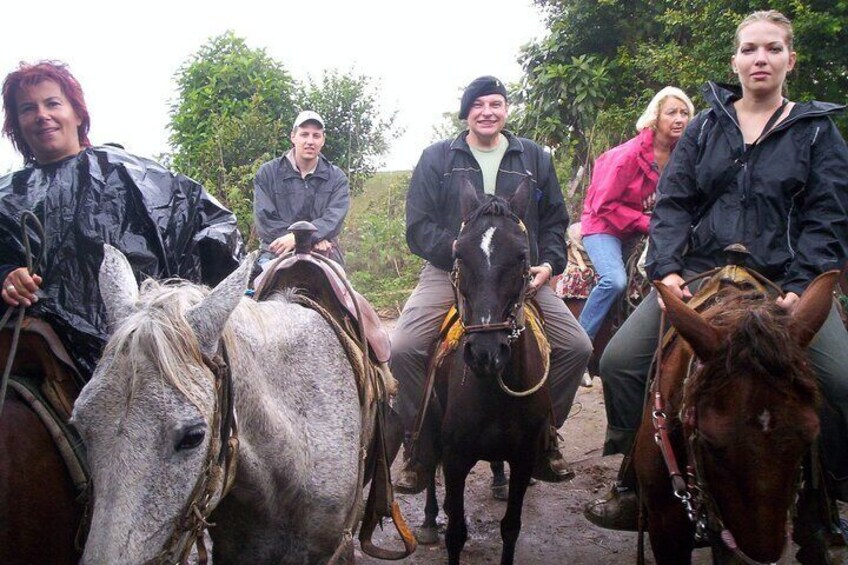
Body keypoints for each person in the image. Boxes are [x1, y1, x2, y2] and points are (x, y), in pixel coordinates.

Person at [584, 10, 848, 530]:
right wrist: (667, 270)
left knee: (841, 382)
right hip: (703, 276)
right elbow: (674, 204)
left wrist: (802, 284)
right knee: (619, 363)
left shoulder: (818, 132)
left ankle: (827, 498)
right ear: (735, 60)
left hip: (783, 281)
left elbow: (829, 215)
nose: (760, 58)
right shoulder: (705, 126)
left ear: (789, 60)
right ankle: (636, 478)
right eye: (750, 49)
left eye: (772, 49)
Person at [391, 75, 593, 492]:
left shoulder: (535, 157)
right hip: (452, 272)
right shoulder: (436, 158)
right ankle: (421, 442)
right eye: (479, 104)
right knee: (405, 348)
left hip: (519, 278)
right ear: (466, 112)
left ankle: (544, 435)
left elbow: (555, 219)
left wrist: (550, 264)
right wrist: (460, 252)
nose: (488, 112)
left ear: (506, 110)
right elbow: (417, 227)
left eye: (496, 104)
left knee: (577, 347)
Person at [0, 60, 244, 377]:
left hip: (149, 347)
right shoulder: (7, 198)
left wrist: (189, 303)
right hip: (42, 355)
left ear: (76, 113)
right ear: (17, 124)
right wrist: (7, 277)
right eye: (28, 108)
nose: (42, 115)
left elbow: (213, 225)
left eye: (52, 103)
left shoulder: (136, 175)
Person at [578, 87, 693, 341]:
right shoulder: (626, 156)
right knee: (615, 281)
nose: (679, 119)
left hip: (644, 225)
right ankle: (578, 345)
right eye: (671, 112)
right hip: (604, 227)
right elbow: (602, 205)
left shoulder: (681, 156)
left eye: (685, 113)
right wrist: (648, 223)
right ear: (655, 117)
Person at [253, 110, 350, 266]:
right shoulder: (267, 173)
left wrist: (302, 239)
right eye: (304, 134)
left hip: (324, 250)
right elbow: (266, 220)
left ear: (323, 140)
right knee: (257, 285)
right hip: (276, 251)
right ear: (293, 136)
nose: (310, 141)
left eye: (316, 135)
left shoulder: (337, 178)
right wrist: (298, 240)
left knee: (343, 287)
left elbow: (333, 219)